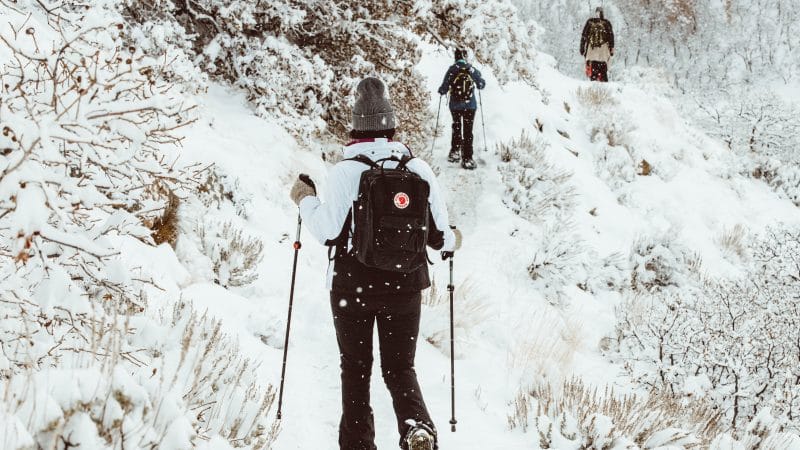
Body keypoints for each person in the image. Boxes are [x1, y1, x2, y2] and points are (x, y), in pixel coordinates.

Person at [289, 77, 461, 450]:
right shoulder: (418, 170)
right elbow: (440, 237)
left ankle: (357, 446)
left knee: (356, 368)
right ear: (392, 126)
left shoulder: (345, 172)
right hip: (406, 285)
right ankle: (417, 428)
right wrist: (454, 239)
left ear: (355, 128)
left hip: (353, 285)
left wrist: (304, 199)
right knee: (400, 368)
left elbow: (327, 232)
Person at [437, 48, 486, 170]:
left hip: (455, 106)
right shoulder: (471, 69)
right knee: (468, 131)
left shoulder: (453, 69)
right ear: (465, 57)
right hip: (470, 106)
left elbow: (444, 87)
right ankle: (467, 158)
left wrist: (442, 90)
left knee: (457, 127)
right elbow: (481, 85)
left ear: (455, 57)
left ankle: (455, 152)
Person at [580, 6, 615, 82]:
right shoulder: (607, 23)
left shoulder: (590, 22)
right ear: (602, 13)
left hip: (592, 52)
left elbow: (584, 36)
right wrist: (611, 49)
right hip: (603, 52)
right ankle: (604, 88)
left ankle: (594, 87)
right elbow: (611, 36)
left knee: (593, 73)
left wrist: (582, 48)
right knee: (603, 72)